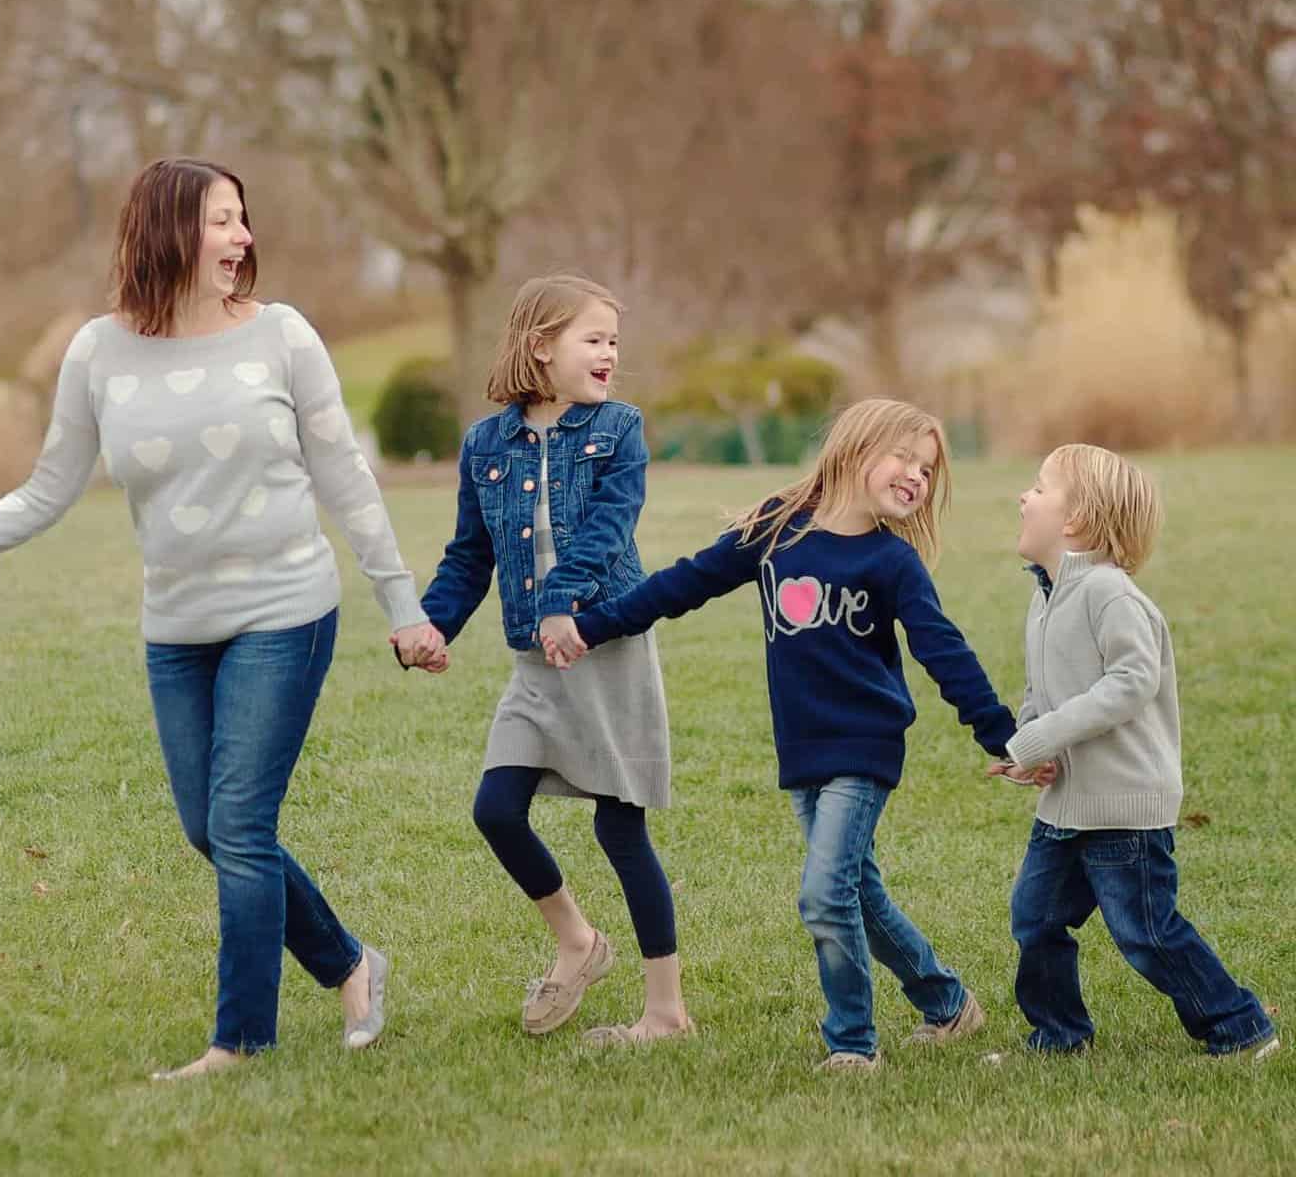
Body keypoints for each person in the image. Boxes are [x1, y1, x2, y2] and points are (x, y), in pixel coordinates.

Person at [0, 157, 438, 1079]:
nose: (243, 240)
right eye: (223, 222)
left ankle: (239, 1043)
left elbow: (346, 477)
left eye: (243, 221)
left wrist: (401, 604)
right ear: (170, 233)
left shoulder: (285, 339)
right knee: (211, 829)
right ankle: (351, 964)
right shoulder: (99, 352)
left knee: (241, 826)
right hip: (177, 631)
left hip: (284, 610)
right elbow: (49, 487)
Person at [557, 398, 1012, 1070]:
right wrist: (592, 626)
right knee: (857, 889)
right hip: (802, 749)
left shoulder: (892, 563)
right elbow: (686, 583)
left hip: (867, 747)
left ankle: (852, 1044)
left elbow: (943, 651)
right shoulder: (779, 529)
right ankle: (947, 1004)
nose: (917, 477)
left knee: (825, 895)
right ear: (855, 449)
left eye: (928, 470)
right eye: (905, 458)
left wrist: (1002, 735)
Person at [406, 274, 690, 1046]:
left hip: (606, 644)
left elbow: (608, 525)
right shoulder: (484, 444)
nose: (609, 354)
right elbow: (470, 555)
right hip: (537, 658)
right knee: (496, 810)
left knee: (620, 830)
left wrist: (566, 601)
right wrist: (432, 625)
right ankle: (577, 941)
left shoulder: (620, 428)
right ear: (541, 346)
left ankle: (666, 1011)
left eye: (613, 342)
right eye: (593, 339)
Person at [988, 444, 1279, 1060]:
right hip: (1065, 804)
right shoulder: (1045, 596)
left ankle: (1239, 1027)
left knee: (1145, 931)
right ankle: (1059, 1037)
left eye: (1039, 487)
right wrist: (1029, 745)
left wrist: (1045, 735)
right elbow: (1042, 689)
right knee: (1035, 919)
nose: (1024, 496)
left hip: (1123, 807)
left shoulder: (1108, 594)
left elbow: (1130, 682)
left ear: (1076, 520)